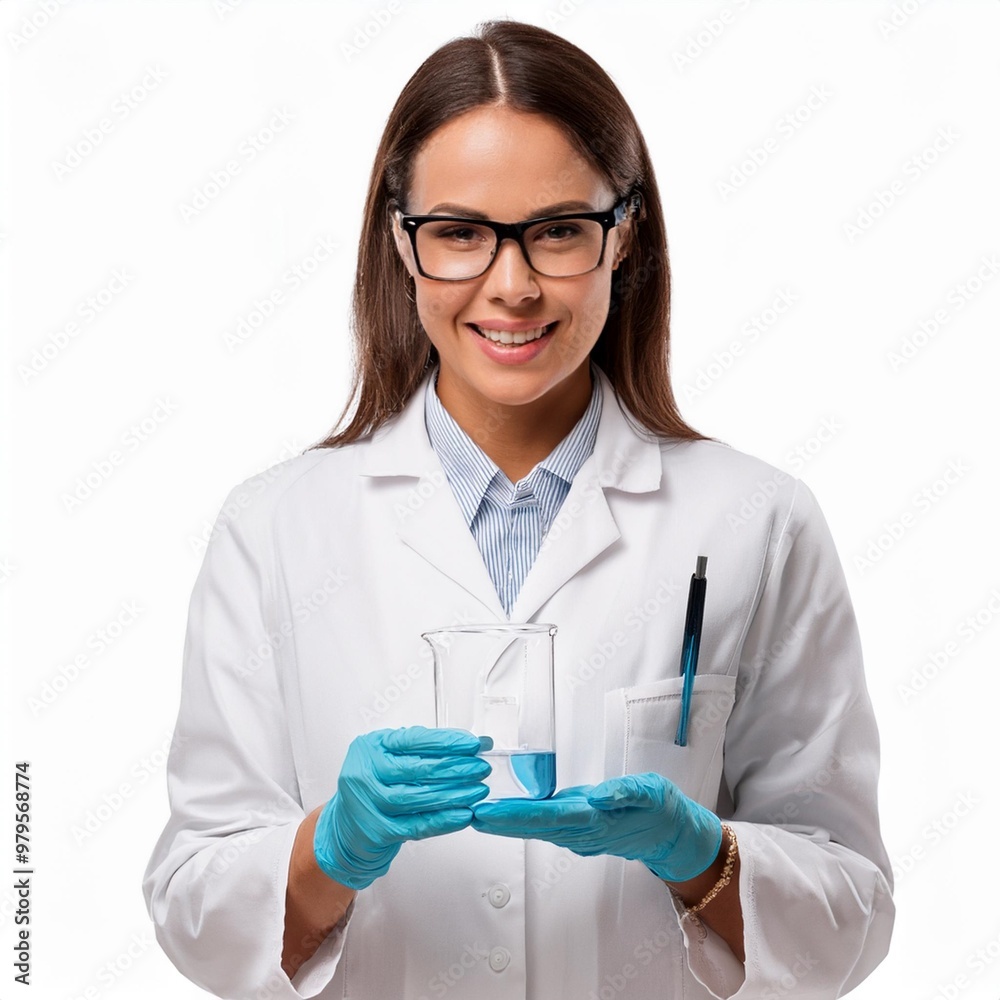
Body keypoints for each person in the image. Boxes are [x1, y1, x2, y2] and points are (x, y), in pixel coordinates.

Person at [142, 18, 894, 1000]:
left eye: (557, 231)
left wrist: (697, 852)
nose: (511, 285)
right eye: (457, 232)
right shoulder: (275, 528)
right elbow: (194, 908)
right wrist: (329, 847)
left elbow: (851, 918)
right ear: (399, 243)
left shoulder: (756, 520)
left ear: (620, 236)